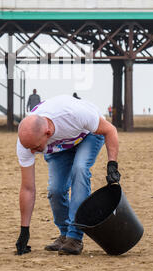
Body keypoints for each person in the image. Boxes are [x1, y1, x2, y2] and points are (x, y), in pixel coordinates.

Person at [15, 94, 120, 256]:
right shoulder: (27, 142)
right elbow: (28, 188)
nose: (32, 152)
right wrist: (24, 231)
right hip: (60, 148)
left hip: (87, 136)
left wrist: (112, 164)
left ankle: (75, 237)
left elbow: (110, 130)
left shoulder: (73, 114)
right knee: (55, 190)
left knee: (80, 169)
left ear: (48, 133)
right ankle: (65, 234)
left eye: (36, 147)